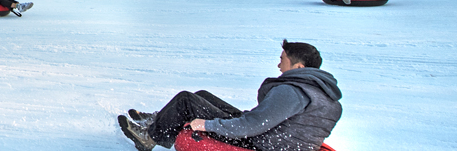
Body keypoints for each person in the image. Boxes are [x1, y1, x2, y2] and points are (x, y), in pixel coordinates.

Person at [118, 40, 342, 151]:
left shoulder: (293, 91)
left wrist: (208, 125)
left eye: (282, 60)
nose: (278, 65)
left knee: (187, 100)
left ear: (299, 67)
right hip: (280, 140)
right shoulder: (324, 95)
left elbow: (253, 126)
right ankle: (158, 119)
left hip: (262, 142)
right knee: (203, 96)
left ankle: (150, 137)